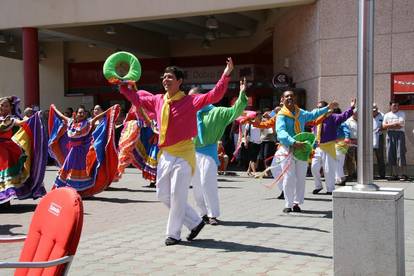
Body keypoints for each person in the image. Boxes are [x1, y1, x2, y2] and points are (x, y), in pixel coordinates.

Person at [118, 58, 233, 246]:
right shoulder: (157, 100)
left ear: (180, 81)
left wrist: (226, 74)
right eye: (164, 77)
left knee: (177, 194)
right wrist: (123, 86)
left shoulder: (191, 101)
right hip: (165, 154)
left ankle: (173, 234)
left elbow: (215, 95)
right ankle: (195, 222)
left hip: (185, 155)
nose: (165, 80)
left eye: (170, 77)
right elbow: (136, 99)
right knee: (162, 194)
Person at [189, 78, 247, 226]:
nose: (190, 101)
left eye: (193, 97)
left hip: (209, 152)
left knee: (208, 183)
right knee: (196, 187)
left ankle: (212, 214)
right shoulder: (188, 113)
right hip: (190, 152)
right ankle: (203, 214)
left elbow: (235, 111)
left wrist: (242, 94)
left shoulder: (217, 112)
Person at [276, 90, 334, 213]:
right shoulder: (281, 115)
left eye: (292, 95)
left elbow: (313, 114)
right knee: (289, 177)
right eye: (287, 96)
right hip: (288, 148)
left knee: (301, 177)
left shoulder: (301, 113)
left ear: (295, 98)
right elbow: (281, 132)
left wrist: (327, 108)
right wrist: (293, 142)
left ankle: (297, 203)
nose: (290, 97)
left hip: (302, 148)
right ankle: (288, 203)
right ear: (283, 99)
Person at [48, 104, 120, 197]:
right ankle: (64, 191)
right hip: (72, 152)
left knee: (82, 173)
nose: (81, 114)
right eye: (79, 112)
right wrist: (54, 108)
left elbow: (98, 117)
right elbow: (61, 116)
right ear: (75, 114)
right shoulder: (70, 122)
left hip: (82, 153)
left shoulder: (88, 123)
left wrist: (110, 109)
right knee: (67, 171)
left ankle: (83, 192)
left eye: (83, 113)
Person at [0, 96, 47, 208]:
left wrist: (35, 116)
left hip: (7, 151)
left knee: (6, 176)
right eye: (1, 105)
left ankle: (5, 202)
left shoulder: (11, 119)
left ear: (10, 107)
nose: (3, 107)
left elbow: (21, 123)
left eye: (6, 105)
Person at [310, 99, 355, 195]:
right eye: (317, 107)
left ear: (326, 108)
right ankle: (318, 186)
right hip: (318, 147)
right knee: (314, 167)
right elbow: (312, 131)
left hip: (329, 146)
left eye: (320, 107)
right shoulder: (316, 118)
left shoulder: (333, 117)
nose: (318, 109)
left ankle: (330, 189)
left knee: (328, 169)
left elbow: (344, 116)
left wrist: (351, 108)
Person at [382, 100, 408, 181]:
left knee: (400, 153)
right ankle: (394, 174)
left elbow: (400, 126)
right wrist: (394, 124)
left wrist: (389, 125)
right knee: (390, 154)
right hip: (390, 135)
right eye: (394, 105)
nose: (396, 107)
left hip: (400, 135)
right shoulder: (387, 115)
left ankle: (403, 174)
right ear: (390, 106)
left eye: (397, 105)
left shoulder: (402, 114)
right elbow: (383, 126)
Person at [245, 112, 262, 176]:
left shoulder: (261, 123)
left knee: (254, 157)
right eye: (259, 116)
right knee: (253, 158)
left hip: (259, 142)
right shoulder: (249, 123)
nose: (260, 117)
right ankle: (255, 172)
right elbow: (246, 133)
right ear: (255, 116)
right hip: (251, 142)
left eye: (261, 116)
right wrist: (246, 142)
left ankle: (249, 170)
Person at [373, 103, 386, 179]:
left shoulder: (382, 115)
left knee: (380, 156)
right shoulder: (366, 114)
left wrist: (381, 128)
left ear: (377, 109)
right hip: (369, 137)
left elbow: (385, 126)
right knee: (368, 156)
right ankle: (369, 175)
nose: (374, 112)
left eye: (375, 110)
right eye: (372, 111)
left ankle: (382, 175)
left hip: (379, 136)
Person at [344, 110, 358, 181]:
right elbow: (346, 132)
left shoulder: (362, 120)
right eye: (356, 113)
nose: (357, 114)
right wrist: (351, 140)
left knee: (359, 160)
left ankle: (359, 174)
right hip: (351, 142)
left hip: (360, 143)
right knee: (350, 160)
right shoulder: (348, 121)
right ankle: (351, 174)